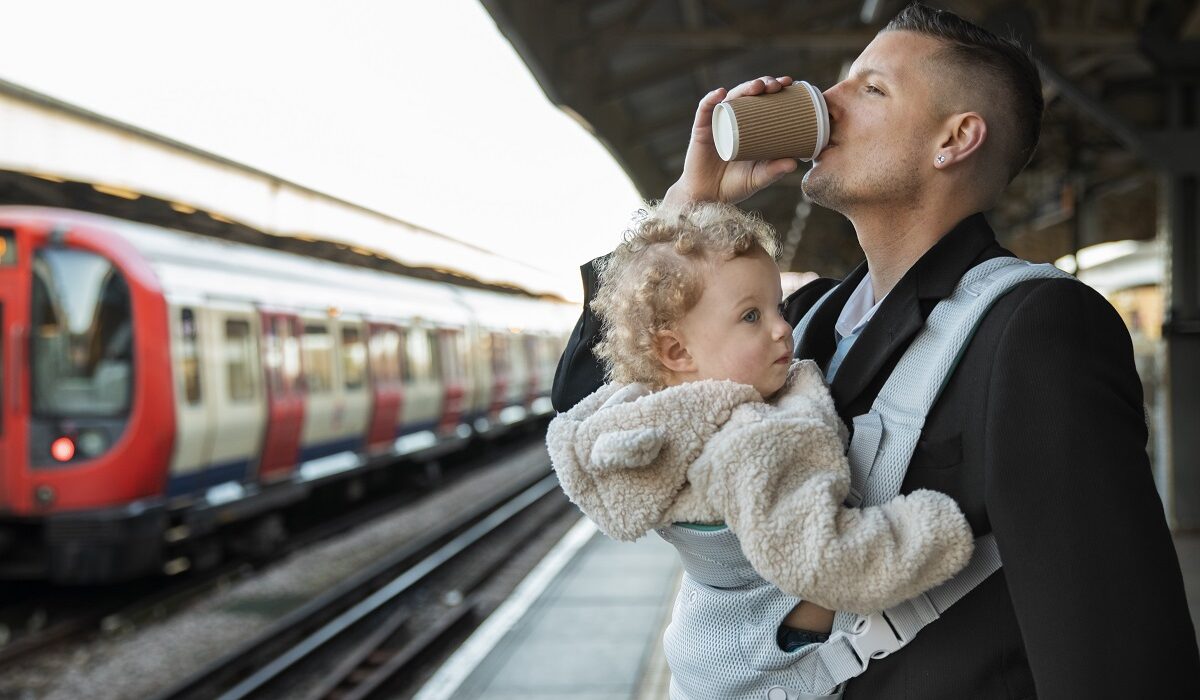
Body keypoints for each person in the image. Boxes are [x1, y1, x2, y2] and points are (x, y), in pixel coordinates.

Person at [552, 3, 1200, 698]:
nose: (825, 101)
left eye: (870, 89)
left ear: (954, 139)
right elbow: (596, 403)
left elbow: (1118, 659)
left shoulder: (1037, 326)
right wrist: (688, 205)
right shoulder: (802, 319)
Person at [546, 202, 975, 690]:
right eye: (751, 316)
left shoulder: (643, 413)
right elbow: (824, 560)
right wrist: (938, 530)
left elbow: (572, 401)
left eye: (779, 308)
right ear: (677, 351)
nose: (782, 328)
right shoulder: (750, 440)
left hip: (704, 656)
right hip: (769, 668)